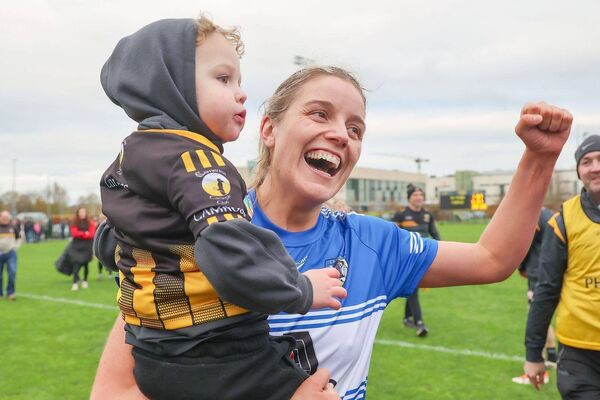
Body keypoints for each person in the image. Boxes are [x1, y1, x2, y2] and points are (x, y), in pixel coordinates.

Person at [91, 64, 572, 399]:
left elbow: (493, 259)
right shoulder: (202, 232)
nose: (342, 134)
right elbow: (114, 392)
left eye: (356, 127)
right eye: (319, 114)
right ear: (269, 130)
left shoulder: (372, 242)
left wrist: (540, 158)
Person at [97, 17, 344, 400]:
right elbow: (227, 250)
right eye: (223, 78)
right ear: (171, 85)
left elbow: (111, 244)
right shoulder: (197, 161)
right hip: (219, 354)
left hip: (152, 356)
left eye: (239, 81)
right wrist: (301, 288)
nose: (241, 93)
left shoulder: (128, 157)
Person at [523, 134, 600, 397]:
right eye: (587, 161)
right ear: (579, 171)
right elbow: (546, 290)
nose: (595, 167)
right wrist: (534, 354)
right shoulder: (564, 220)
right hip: (580, 355)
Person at [511, 206, 556, 385]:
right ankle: (552, 356)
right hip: (550, 271)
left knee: (536, 316)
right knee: (543, 316)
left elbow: (525, 244)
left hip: (538, 274)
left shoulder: (535, 215)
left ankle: (540, 370)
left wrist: (521, 267)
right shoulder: (552, 214)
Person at [394, 183, 440, 337]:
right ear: (409, 198)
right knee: (413, 289)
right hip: (407, 259)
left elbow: (436, 235)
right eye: (415, 195)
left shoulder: (427, 215)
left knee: (412, 288)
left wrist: (440, 251)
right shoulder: (400, 215)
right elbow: (393, 238)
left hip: (424, 259)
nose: (419, 197)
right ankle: (420, 324)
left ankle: (407, 318)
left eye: (421, 195)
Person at [68, 207, 96, 291]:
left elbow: (91, 234)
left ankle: (85, 281)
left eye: (84, 212)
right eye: (81, 212)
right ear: (78, 213)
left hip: (87, 246)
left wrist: (81, 234)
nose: (82, 213)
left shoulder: (90, 222)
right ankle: (75, 283)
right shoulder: (74, 222)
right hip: (77, 246)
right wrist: (84, 233)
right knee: (76, 264)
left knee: (85, 264)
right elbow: (74, 233)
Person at [0, 210, 21, 300]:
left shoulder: (13, 227)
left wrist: (15, 247)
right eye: (3, 217)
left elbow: (19, 238)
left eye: (7, 217)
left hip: (11, 253)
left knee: (12, 272)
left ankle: (10, 293)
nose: (5, 219)